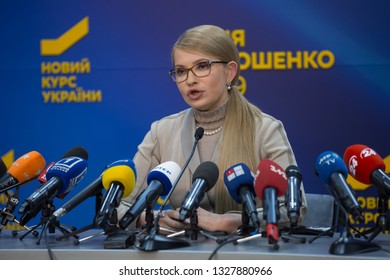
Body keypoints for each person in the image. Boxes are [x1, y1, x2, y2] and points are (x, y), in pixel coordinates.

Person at [117, 24, 307, 235]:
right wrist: (150, 219)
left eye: (202, 66)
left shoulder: (265, 130)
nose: (190, 80)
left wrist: (230, 222)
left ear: (230, 71)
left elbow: (294, 210)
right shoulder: (161, 132)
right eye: (181, 71)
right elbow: (118, 207)